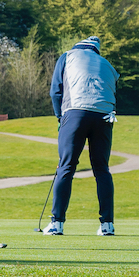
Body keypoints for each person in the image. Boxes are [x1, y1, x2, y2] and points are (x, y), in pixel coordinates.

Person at [43, 36, 119, 237]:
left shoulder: (67, 56)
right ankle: (107, 225)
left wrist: (61, 117)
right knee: (102, 169)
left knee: (66, 166)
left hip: (75, 113)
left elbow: (55, 91)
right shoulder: (107, 64)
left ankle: (57, 223)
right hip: (104, 116)